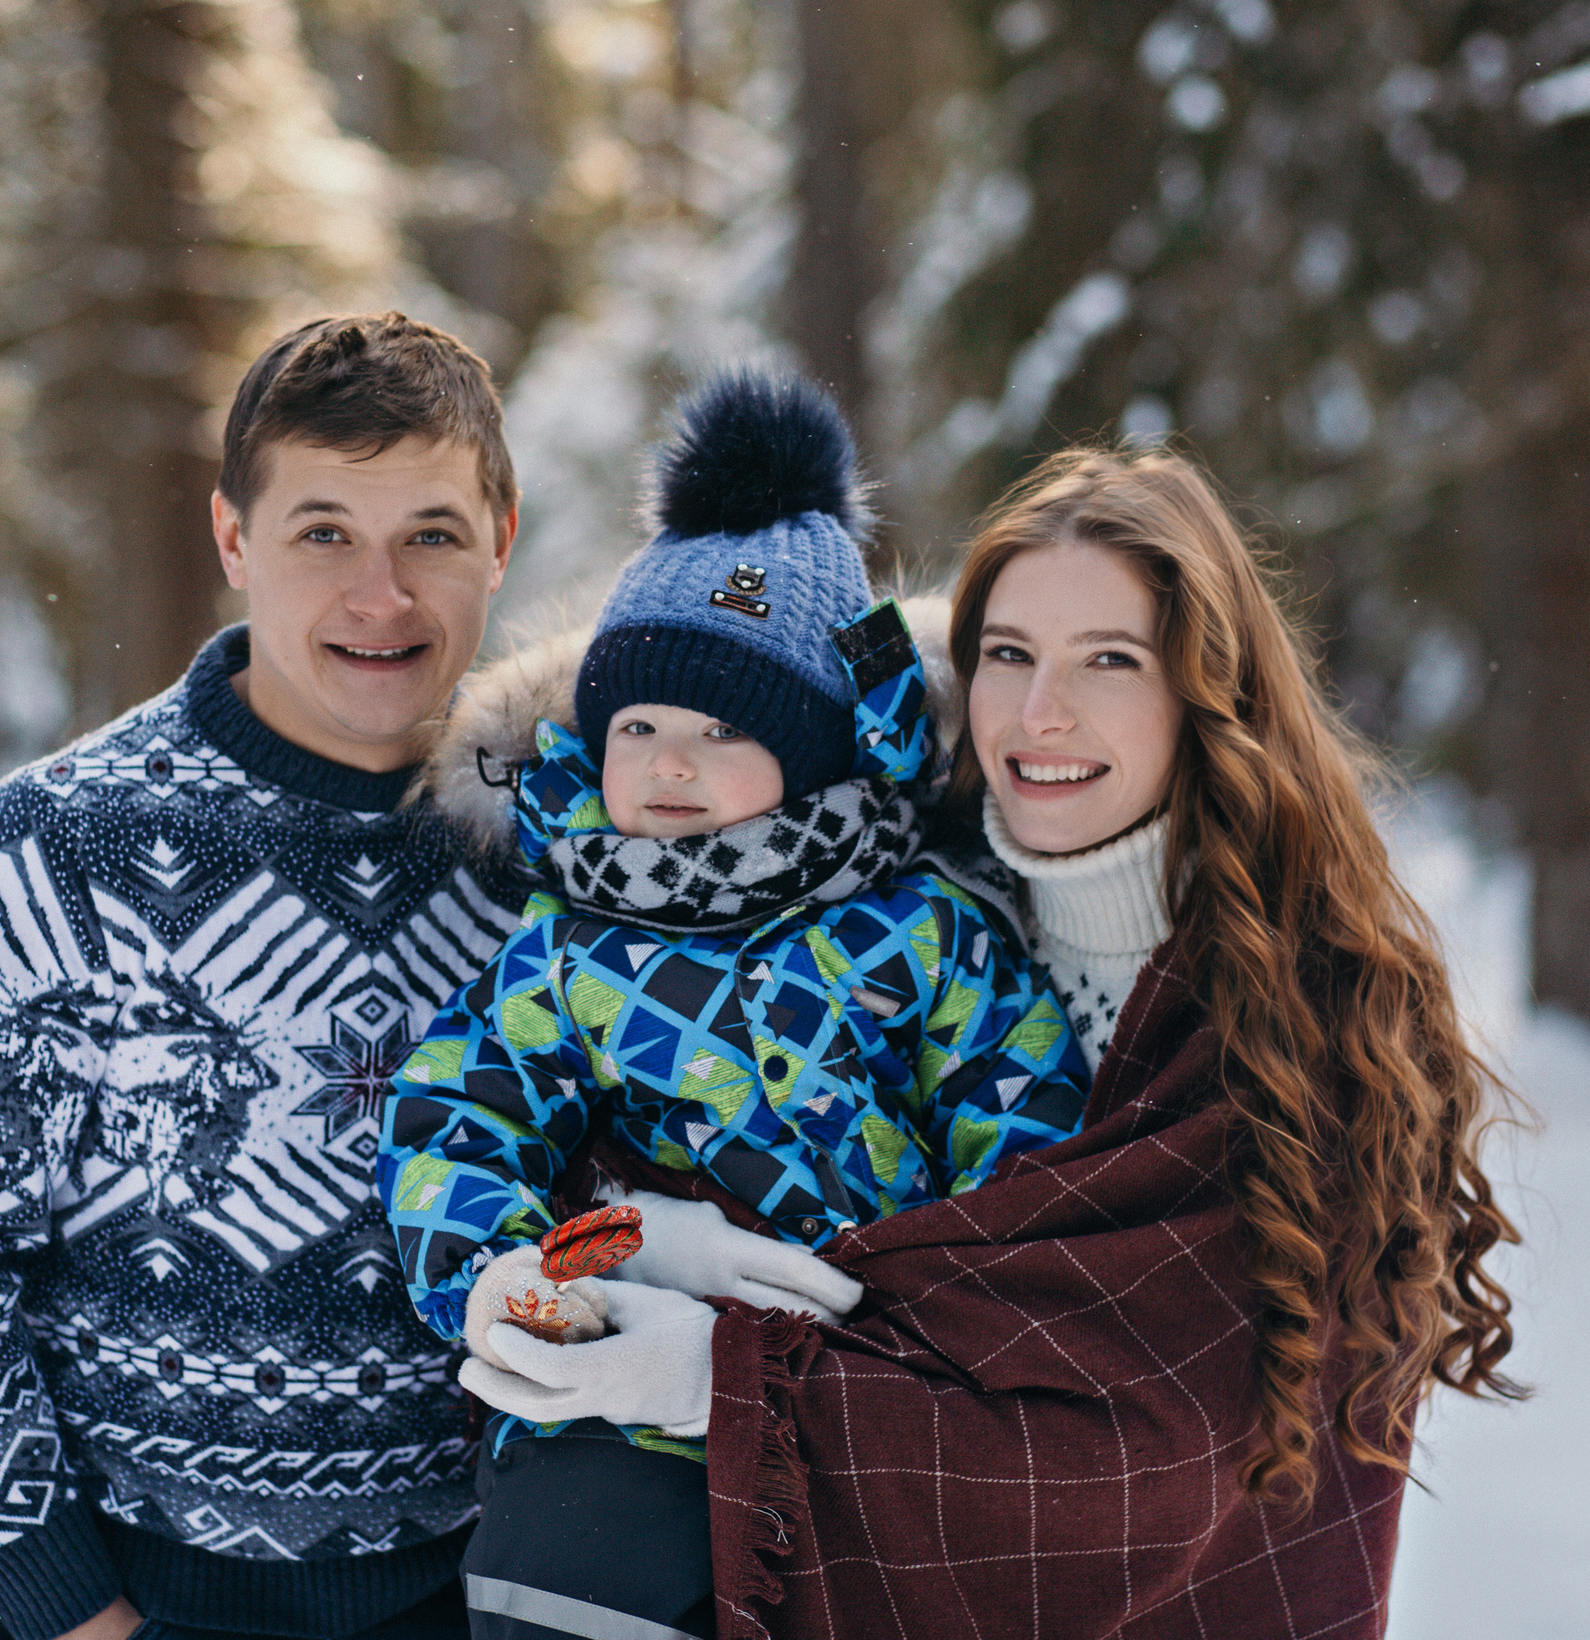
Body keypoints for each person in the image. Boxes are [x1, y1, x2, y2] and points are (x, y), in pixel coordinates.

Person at [504, 446, 1523, 1639]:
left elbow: (1168, 1458)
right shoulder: (863, 914)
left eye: (1108, 661)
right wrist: (642, 1243)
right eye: (1008, 656)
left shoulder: (1309, 1012)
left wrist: (718, 1381)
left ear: (1208, 689)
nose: (1042, 714)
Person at [0, 311, 539, 1640]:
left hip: (505, 1595)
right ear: (233, 539)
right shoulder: (57, 848)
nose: (378, 593)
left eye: (431, 535)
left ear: (501, 540)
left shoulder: (567, 844)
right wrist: (76, 1609)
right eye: (322, 530)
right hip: (158, 1601)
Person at [378, 372, 1092, 1640]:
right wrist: (513, 1267)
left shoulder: (919, 933)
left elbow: (1019, 1131)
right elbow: (456, 1118)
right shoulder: (564, 951)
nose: (665, 761)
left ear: (816, 749)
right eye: (637, 722)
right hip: (632, 1363)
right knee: (563, 1557)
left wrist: (954, 1322)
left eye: (719, 730)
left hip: (868, 1379)